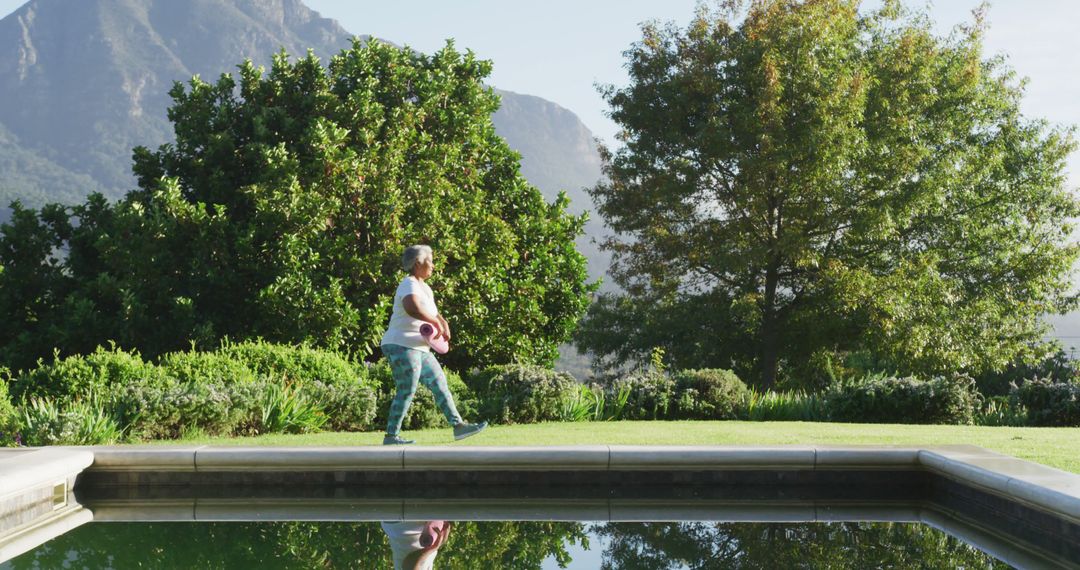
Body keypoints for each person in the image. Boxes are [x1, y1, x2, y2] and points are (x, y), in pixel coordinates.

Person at [380, 244, 487, 445]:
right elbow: (412, 307)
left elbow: (433, 313)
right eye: (430, 261)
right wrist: (435, 322)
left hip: (420, 346)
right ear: (418, 263)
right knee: (407, 388)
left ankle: (459, 427)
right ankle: (391, 436)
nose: (434, 266)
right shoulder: (408, 283)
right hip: (401, 343)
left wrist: (442, 322)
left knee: (440, 383)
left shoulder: (425, 288)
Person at [380, 520, 452, 570]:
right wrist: (441, 542)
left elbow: (409, 566)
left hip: (404, 526)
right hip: (403, 525)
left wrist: (433, 548)